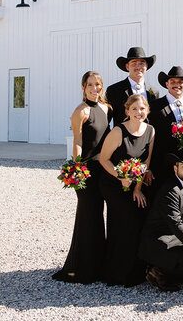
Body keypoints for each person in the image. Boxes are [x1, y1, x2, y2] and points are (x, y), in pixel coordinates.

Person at [53, 71, 111, 283]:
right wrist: (77, 171)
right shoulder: (80, 111)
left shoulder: (107, 109)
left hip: (104, 170)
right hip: (87, 171)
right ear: (83, 88)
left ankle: (99, 264)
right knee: (88, 218)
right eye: (90, 85)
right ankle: (83, 267)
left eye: (98, 85)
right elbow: (77, 142)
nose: (94, 89)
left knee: (101, 216)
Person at [98, 94, 154, 286]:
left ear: (147, 111)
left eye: (142, 109)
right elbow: (103, 159)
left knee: (139, 218)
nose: (139, 113)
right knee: (125, 221)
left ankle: (137, 271)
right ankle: (116, 272)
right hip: (113, 183)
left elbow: (146, 162)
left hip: (133, 183)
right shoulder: (118, 131)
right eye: (135, 109)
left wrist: (137, 188)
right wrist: (121, 177)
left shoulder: (150, 131)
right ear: (127, 111)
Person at [139, 147, 183, 292]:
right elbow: (176, 224)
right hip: (158, 241)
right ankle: (158, 272)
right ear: (175, 168)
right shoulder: (170, 190)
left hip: (173, 236)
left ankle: (178, 273)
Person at [147, 66, 183, 198]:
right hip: (160, 166)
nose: (177, 85)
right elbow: (147, 139)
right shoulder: (154, 106)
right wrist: (148, 167)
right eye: (173, 82)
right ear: (166, 84)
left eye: (180, 82)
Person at [106, 47, 157, 125]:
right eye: (134, 63)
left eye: (141, 63)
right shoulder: (114, 90)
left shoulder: (153, 91)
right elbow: (106, 121)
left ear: (146, 66)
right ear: (127, 66)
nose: (138, 67)